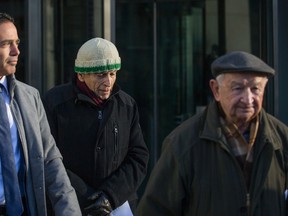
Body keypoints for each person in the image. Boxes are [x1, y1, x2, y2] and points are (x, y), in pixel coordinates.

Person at [136, 51, 288, 216]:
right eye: (238, 88)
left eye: (255, 89)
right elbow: (155, 210)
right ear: (216, 90)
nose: (248, 98)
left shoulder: (281, 139)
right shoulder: (183, 143)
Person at [42, 37, 149, 216]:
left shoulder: (127, 105)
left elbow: (138, 157)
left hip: (118, 206)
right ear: (81, 75)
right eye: (100, 75)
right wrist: (89, 199)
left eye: (112, 74)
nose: (108, 82)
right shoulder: (54, 104)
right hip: (68, 206)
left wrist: (109, 196)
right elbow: (48, 159)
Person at [0, 12, 81, 215]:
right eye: (5, 44)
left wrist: (70, 211)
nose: (16, 51)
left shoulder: (30, 97)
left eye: (17, 42)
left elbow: (51, 160)